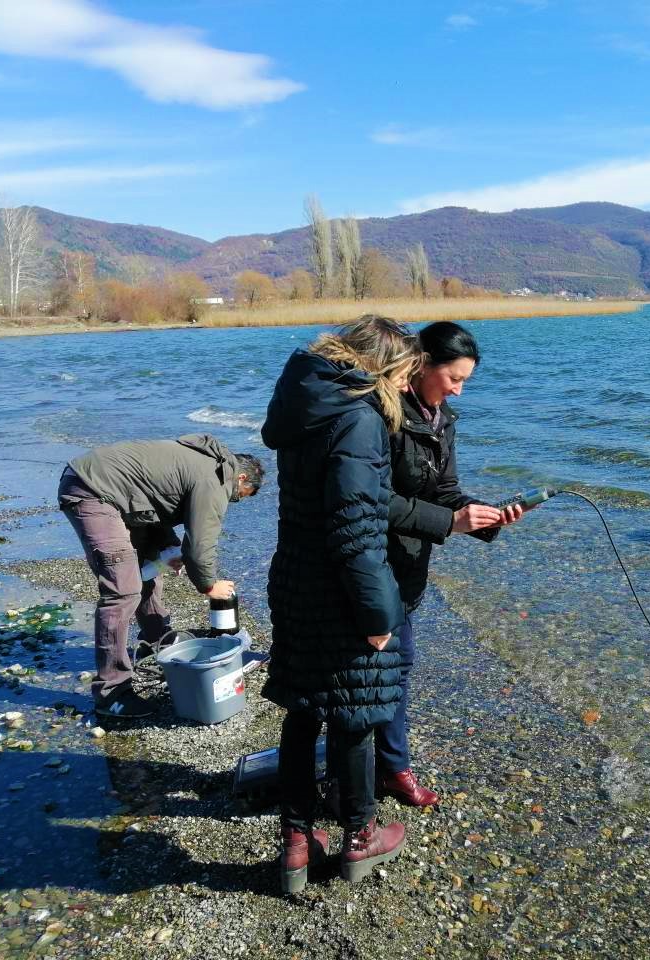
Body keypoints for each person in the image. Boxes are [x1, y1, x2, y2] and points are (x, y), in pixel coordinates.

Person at [261, 314, 422, 892]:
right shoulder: (357, 419)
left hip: (296, 581)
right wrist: (379, 614)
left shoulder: (309, 405)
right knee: (354, 716)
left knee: (303, 711)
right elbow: (356, 529)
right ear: (379, 365)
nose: (408, 384)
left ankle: (297, 842)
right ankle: (359, 838)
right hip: (339, 590)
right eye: (404, 372)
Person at [374, 321, 522, 808]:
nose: (457, 390)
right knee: (383, 668)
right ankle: (390, 769)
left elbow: (446, 494)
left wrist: (486, 517)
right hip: (373, 565)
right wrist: (450, 521)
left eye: (465, 382)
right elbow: (369, 501)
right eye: (453, 378)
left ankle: (381, 763)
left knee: (396, 665)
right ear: (420, 364)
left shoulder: (443, 419)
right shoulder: (380, 414)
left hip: (411, 565)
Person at [57, 435, 264, 718]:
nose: (233, 501)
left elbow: (155, 499)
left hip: (115, 491)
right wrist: (207, 585)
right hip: (93, 491)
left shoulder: (206, 463)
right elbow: (202, 540)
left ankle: (156, 643)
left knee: (148, 570)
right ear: (240, 478)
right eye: (239, 496)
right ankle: (111, 691)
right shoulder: (216, 479)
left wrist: (168, 547)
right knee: (122, 591)